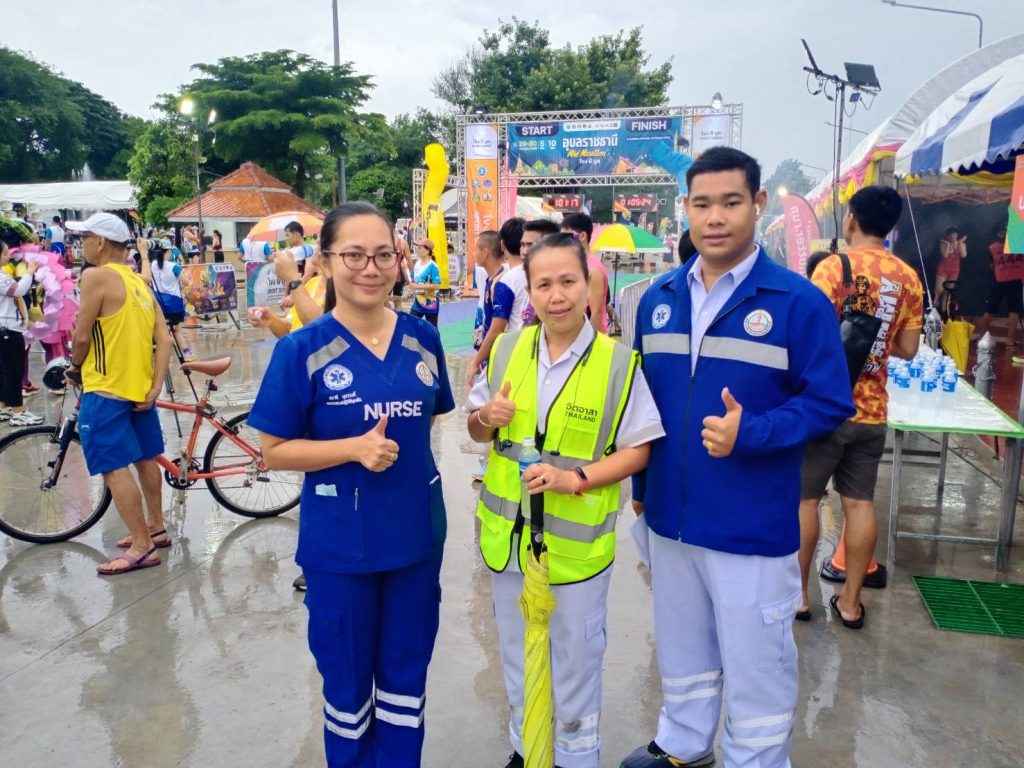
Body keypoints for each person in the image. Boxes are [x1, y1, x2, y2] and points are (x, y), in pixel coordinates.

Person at [622, 147, 854, 768]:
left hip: (750, 522)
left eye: (730, 202)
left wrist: (753, 430)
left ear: (757, 203)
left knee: (758, 661)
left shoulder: (796, 302)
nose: (715, 217)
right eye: (702, 204)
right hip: (671, 517)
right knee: (681, 644)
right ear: (686, 209)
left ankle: (756, 759)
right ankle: (683, 741)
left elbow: (830, 402)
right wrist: (641, 492)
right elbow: (644, 406)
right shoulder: (659, 297)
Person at [247, 201, 454, 767]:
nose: (370, 268)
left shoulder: (422, 339)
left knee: (406, 679)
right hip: (340, 548)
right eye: (354, 255)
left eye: (383, 255)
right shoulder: (302, 349)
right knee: (347, 683)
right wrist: (353, 449)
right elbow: (273, 451)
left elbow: (430, 422)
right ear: (325, 261)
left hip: (414, 540)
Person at [467, 232, 663, 768]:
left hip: (576, 554)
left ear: (589, 285)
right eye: (544, 284)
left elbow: (640, 449)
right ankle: (526, 749)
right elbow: (476, 429)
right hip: (509, 545)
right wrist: (486, 418)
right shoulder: (507, 349)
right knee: (516, 657)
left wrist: (575, 479)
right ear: (529, 290)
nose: (557, 296)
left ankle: (575, 757)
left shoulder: (618, 363)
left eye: (568, 282)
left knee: (575, 664)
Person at [800, 186, 923, 629]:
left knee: (806, 501)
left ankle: (799, 597)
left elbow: (807, 334)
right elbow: (909, 348)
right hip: (872, 411)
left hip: (825, 408)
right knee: (859, 505)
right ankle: (851, 603)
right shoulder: (908, 278)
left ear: (851, 218)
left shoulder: (834, 268)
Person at [64, 213, 172, 576]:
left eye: (85, 238)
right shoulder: (139, 281)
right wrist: (155, 386)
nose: (82, 245)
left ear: (100, 242)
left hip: (106, 388)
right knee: (146, 458)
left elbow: (82, 336)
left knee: (113, 467)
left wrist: (74, 367)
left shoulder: (95, 277)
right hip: (140, 389)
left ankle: (142, 546)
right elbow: (164, 339)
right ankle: (155, 527)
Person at [466, 218, 527, 385]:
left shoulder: (506, 281)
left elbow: (496, 329)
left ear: (502, 245)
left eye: (476, 249)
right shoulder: (529, 273)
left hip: (509, 352)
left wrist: (476, 361)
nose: (474, 253)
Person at [0, 237, 43, 426]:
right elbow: (19, 290)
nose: (8, 256)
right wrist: (30, 272)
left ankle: (3, 407)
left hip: (5, 329)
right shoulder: (1, 278)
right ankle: (18, 410)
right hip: (8, 330)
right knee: (14, 371)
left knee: (4, 371)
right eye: (5, 253)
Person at [561, 213, 611, 333]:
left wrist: (590, 342)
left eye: (567, 236)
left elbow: (596, 313)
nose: (562, 241)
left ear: (582, 236)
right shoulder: (574, 263)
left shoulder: (593, 270)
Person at [974, 225, 1020, 347]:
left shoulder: (992, 247)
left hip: (999, 280)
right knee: (1013, 310)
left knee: (991, 310)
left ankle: (982, 336)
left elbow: (991, 266)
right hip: (1014, 280)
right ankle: (1009, 340)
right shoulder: (1019, 245)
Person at [408, 239, 442, 326]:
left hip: (430, 302)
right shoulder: (417, 264)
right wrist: (412, 290)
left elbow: (437, 286)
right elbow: (415, 281)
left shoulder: (433, 266)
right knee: (411, 324)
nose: (417, 250)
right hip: (418, 301)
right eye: (417, 247)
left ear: (427, 251)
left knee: (432, 329)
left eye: (420, 248)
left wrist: (417, 287)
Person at [933, 226, 967, 310]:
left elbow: (963, 255)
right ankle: (934, 308)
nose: (953, 236)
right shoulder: (944, 243)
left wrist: (959, 244)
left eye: (954, 234)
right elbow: (945, 255)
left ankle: (944, 311)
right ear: (947, 236)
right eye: (951, 234)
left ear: (957, 235)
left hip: (954, 270)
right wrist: (948, 245)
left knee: (948, 292)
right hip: (943, 269)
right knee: (938, 291)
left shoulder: (961, 244)